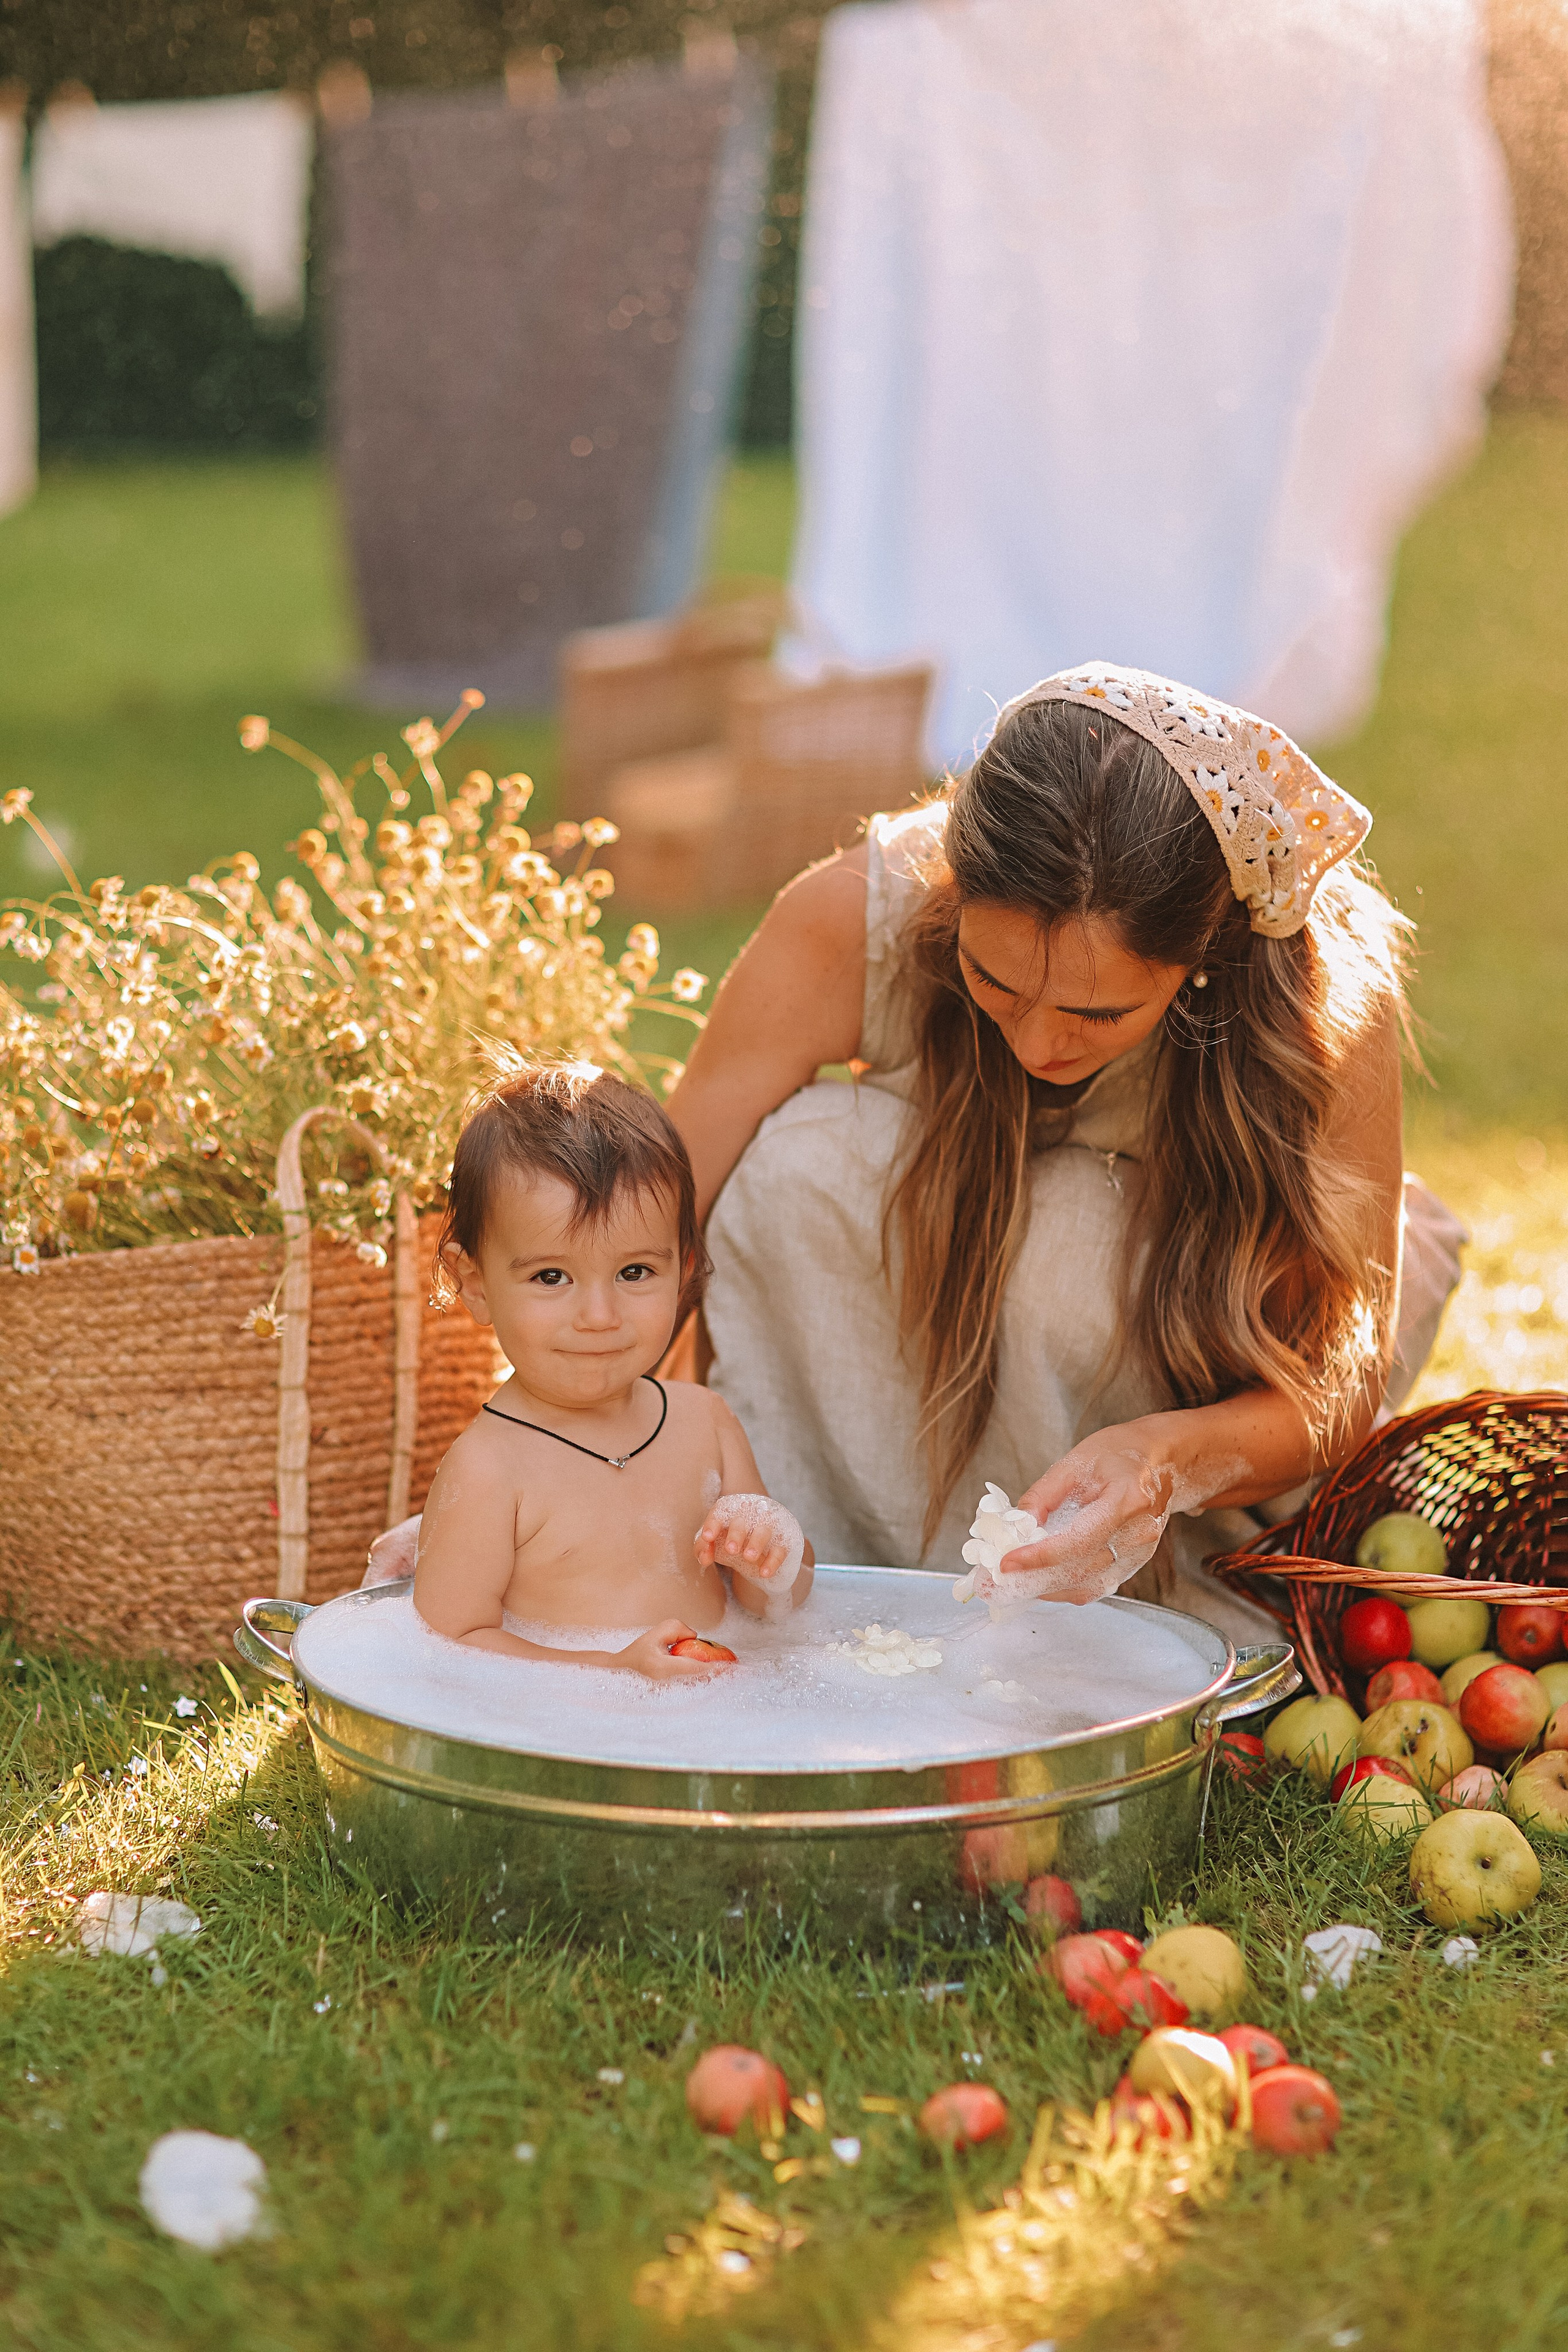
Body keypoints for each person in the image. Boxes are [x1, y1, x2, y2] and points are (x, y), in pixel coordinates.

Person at [663, 661, 1463, 1643]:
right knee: (794, 1166)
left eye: (1100, 1011)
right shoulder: (853, 913)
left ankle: (1087, 1611)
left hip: (1212, 1348)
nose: (1040, 1045)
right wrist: (552, 1470)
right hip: (946, 1290)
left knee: (1071, 1249)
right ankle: (838, 1576)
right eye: (994, 984)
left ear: (1202, 954)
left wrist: (1160, 1460)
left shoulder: (1320, 1000)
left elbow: (1333, 1393)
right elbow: (653, 1224)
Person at [407, 1061, 813, 1679]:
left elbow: (774, 1605)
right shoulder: (490, 1469)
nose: (599, 1316)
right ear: (476, 1284)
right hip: (568, 1730)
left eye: (634, 1273)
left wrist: (774, 1555)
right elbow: (449, 1645)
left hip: (716, 1707)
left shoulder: (704, 1421)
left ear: (683, 1269)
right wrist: (612, 1671)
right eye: (551, 1277)